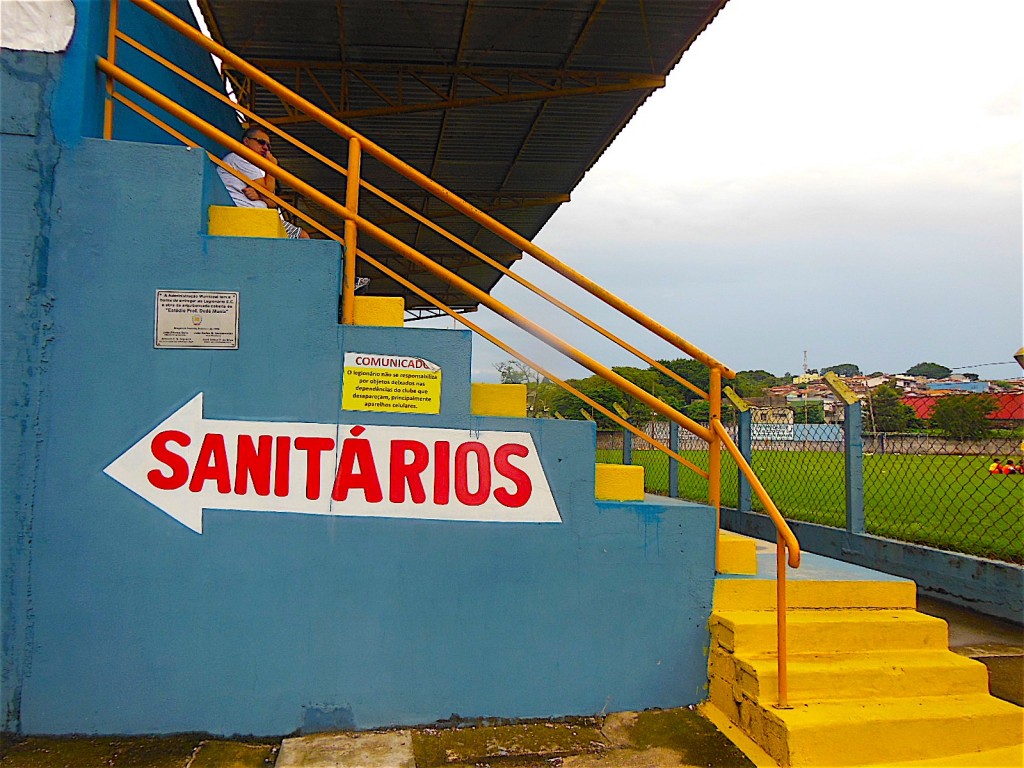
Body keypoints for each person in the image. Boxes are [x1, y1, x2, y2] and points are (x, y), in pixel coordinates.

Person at [217, 126, 309, 239]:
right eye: (261, 142)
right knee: (301, 237)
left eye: (268, 146)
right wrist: (272, 166)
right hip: (247, 215)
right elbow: (269, 192)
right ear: (246, 141)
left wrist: (260, 197)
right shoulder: (240, 157)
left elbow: (273, 202)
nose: (265, 148)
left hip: (259, 216)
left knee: (302, 236)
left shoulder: (254, 167)